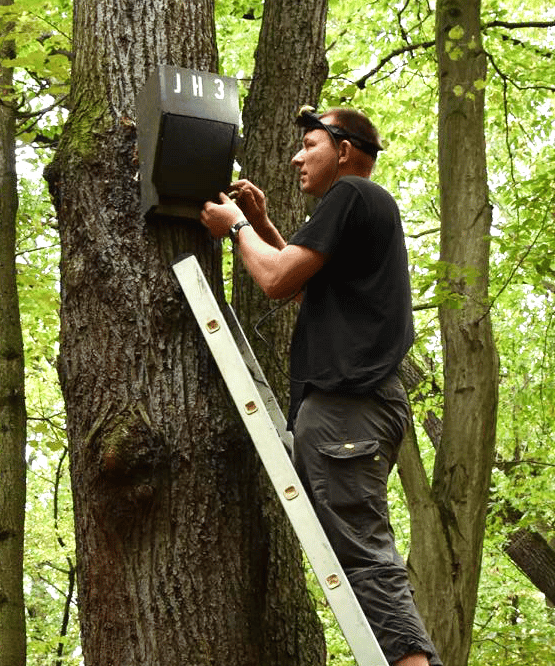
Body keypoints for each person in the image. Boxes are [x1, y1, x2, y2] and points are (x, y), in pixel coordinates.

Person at [200, 106, 442, 666]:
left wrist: (233, 227)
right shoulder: (360, 211)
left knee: (363, 554)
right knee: (358, 549)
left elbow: (276, 278)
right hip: (355, 409)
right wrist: (259, 225)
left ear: (346, 151)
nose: (296, 157)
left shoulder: (353, 196)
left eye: (309, 144)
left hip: (346, 411)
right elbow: (303, 288)